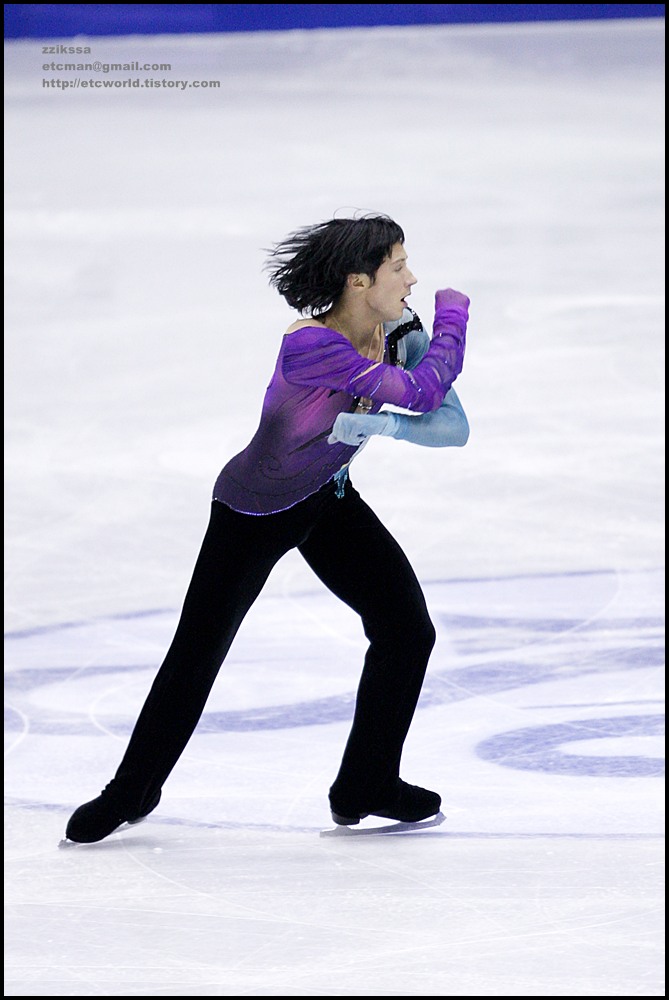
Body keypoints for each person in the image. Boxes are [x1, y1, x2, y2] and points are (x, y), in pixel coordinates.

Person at [64, 213, 470, 843]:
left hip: (327, 500)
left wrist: (420, 347)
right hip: (252, 511)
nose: (412, 278)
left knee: (406, 630)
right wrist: (453, 316)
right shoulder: (311, 345)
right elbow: (419, 394)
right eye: (398, 267)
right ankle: (131, 790)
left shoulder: (396, 332)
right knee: (198, 652)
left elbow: (451, 421)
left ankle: (365, 781)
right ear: (358, 281)